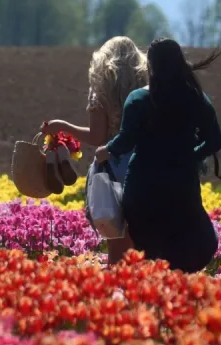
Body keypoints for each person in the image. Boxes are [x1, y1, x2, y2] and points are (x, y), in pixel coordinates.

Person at [94, 38, 221, 274]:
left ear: (150, 67)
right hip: (181, 187)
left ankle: (152, 298)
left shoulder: (139, 99)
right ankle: (175, 293)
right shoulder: (197, 99)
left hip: (143, 189)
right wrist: (190, 156)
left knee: (150, 250)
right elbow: (215, 141)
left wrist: (106, 150)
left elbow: (126, 140)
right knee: (185, 243)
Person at [40, 36, 147, 265]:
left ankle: (115, 293)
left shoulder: (102, 89)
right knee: (139, 240)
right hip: (145, 165)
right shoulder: (147, 87)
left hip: (113, 166)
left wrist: (63, 127)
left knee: (116, 237)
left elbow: (97, 136)